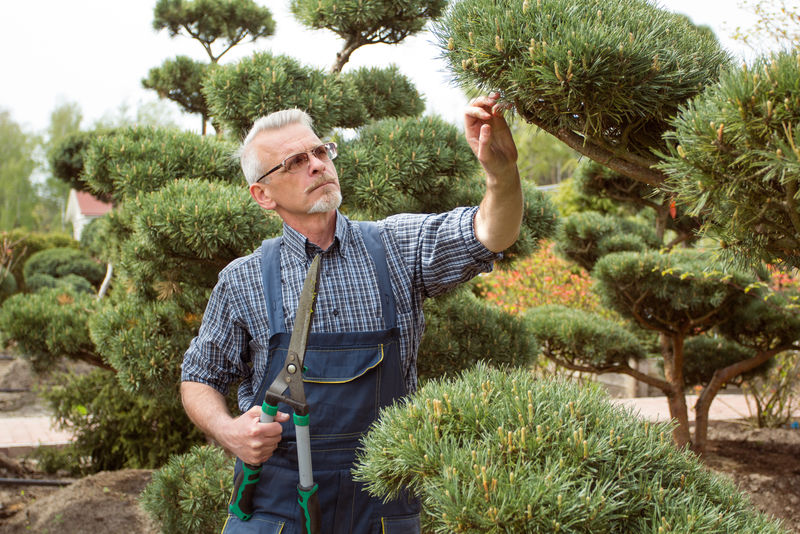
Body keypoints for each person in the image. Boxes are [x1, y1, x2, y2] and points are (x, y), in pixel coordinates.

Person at [180, 92, 523, 533]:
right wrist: (228, 431)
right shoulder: (242, 279)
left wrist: (501, 176)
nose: (317, 164)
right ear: (262, 195)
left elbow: (490, 234)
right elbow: (199, 377)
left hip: (383, 497)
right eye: (294, 162)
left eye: (320, 151)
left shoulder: (397, 247)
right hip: (275, 502)